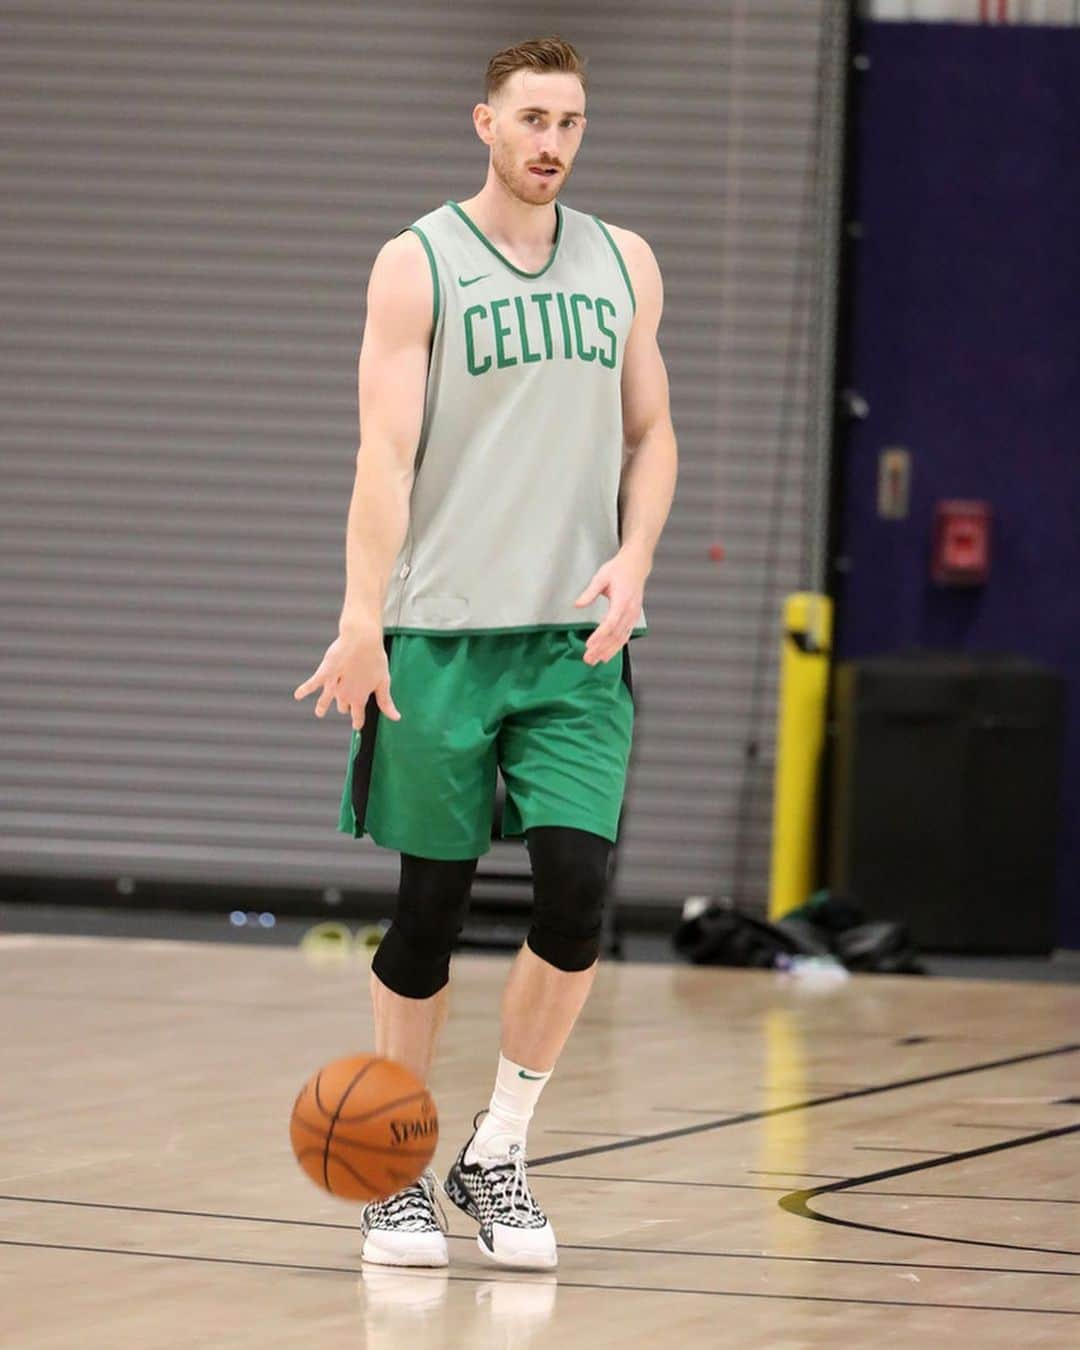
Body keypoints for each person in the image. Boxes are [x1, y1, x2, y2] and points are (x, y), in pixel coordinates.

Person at [294, 35, 677, 1271]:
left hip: (574, 641)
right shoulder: (417, 265)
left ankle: (498, 1151)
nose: (552, 142)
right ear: (484, 123)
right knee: (429, 909)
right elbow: (382, 455)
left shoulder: (624, 264)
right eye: (531, 120)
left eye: (570, 121)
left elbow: (653, 431)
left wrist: (637, 556)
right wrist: (363, 615)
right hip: (439, 638)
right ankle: (393, 1173)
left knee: (576, 894)